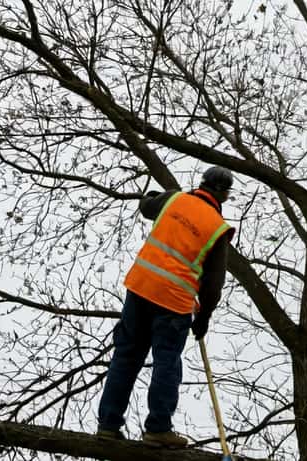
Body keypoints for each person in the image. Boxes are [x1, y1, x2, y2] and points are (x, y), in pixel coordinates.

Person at [96, 166, 234, 447]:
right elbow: (212, 284)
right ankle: (158, 428)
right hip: (173, 300)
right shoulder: (217, 228)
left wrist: (152, 195)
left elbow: (147, 206)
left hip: (140, 287)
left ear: (202, 184)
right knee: (167, 362)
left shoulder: (174, 199)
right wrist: (204, 316)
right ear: (225, 195)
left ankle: (108, 425)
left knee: (125, 357)